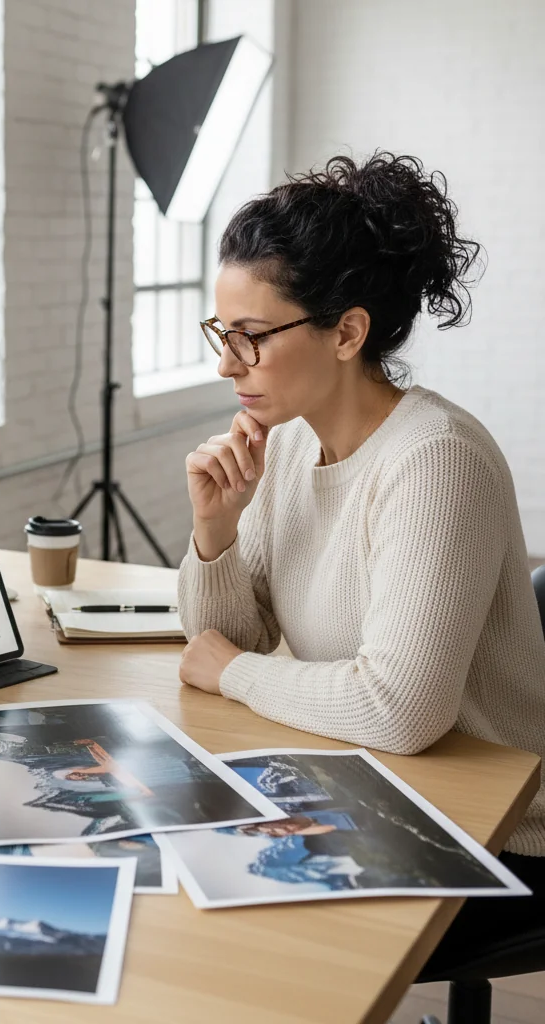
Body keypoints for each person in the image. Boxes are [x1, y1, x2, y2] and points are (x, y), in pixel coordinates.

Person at [173, 152, 545, 967]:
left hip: (496, 836)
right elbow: (221, 638)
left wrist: (235, 669)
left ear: (347, 331)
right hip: (368, 785)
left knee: (230, 929)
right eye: (221, 332)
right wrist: (216, 531)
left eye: (252, 337)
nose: (226, 363)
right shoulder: (291, 441)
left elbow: (399, 711)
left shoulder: (435, 461)